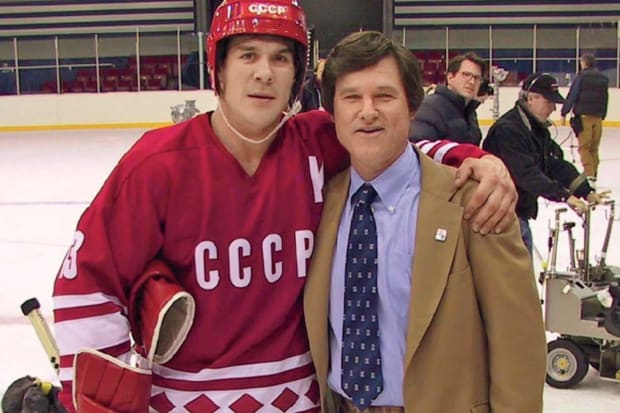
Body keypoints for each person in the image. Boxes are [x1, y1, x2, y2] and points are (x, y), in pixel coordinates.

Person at [51, 1, 516, 412]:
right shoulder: (157, 165)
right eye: (247, 55)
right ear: (219, 69)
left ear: (297, 75)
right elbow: (86, 286)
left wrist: (472, 158)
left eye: (280, 58)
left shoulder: (315, 143)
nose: (264, 73)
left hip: (302, 401)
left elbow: (392, 149)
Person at [304, 31, 546, 413]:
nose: (368, 111)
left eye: (384, 96)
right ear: (332, 112)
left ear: (412, 105)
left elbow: (517, 342)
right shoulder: (321, 202)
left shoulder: (474, 201)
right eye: (351, 97)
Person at [484, 73, 606, 254]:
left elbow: (555, 164)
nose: (553, 109)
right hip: (501, 216)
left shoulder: (537, 129)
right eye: (549, 102)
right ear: (531, 98)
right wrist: (563, 196)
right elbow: (526, 174)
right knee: (515, 269)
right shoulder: (508, 131)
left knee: (524, 268)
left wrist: (585, 191)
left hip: (518, 214)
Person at [409, 52, 487, 145]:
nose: (472, 82)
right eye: (466, 74)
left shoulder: (470, 112)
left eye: (477, 78)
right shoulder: (430, 107)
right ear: (450, 77)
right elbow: (420, 147)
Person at [560, 53, 609, 181]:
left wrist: (564, 111)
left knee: (584, 148)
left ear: (584, 63)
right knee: (594, 148)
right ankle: (593, 173)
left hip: (584, 117)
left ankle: (589, 175)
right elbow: (605, 97)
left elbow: (573, 95)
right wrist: (603, 115)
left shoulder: (581, 77)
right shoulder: (603, 78)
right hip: (597, 117)